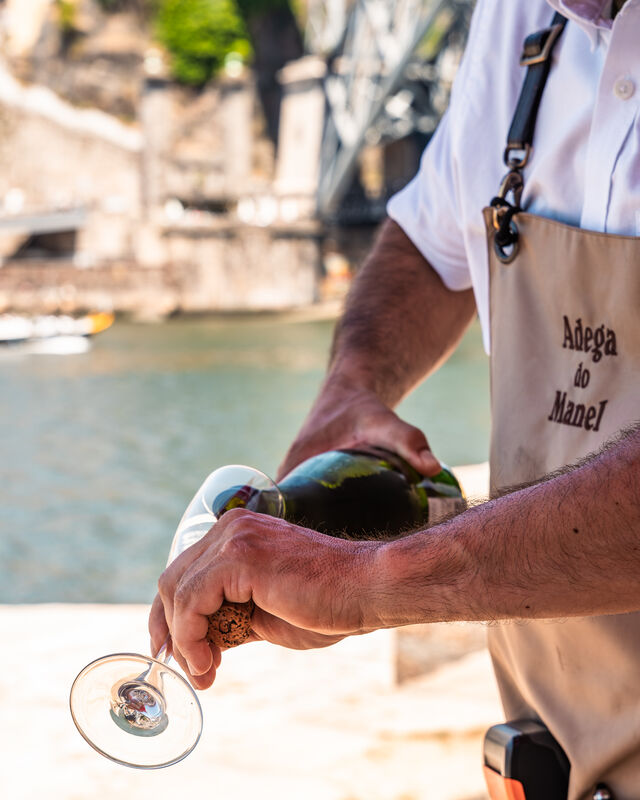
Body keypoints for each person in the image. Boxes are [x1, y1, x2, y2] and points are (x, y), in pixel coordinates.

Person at [149, 1, 640, 796]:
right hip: (550, 758)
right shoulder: (519, 18)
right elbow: (433, 235)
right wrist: (352, 387)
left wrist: (368, 582)